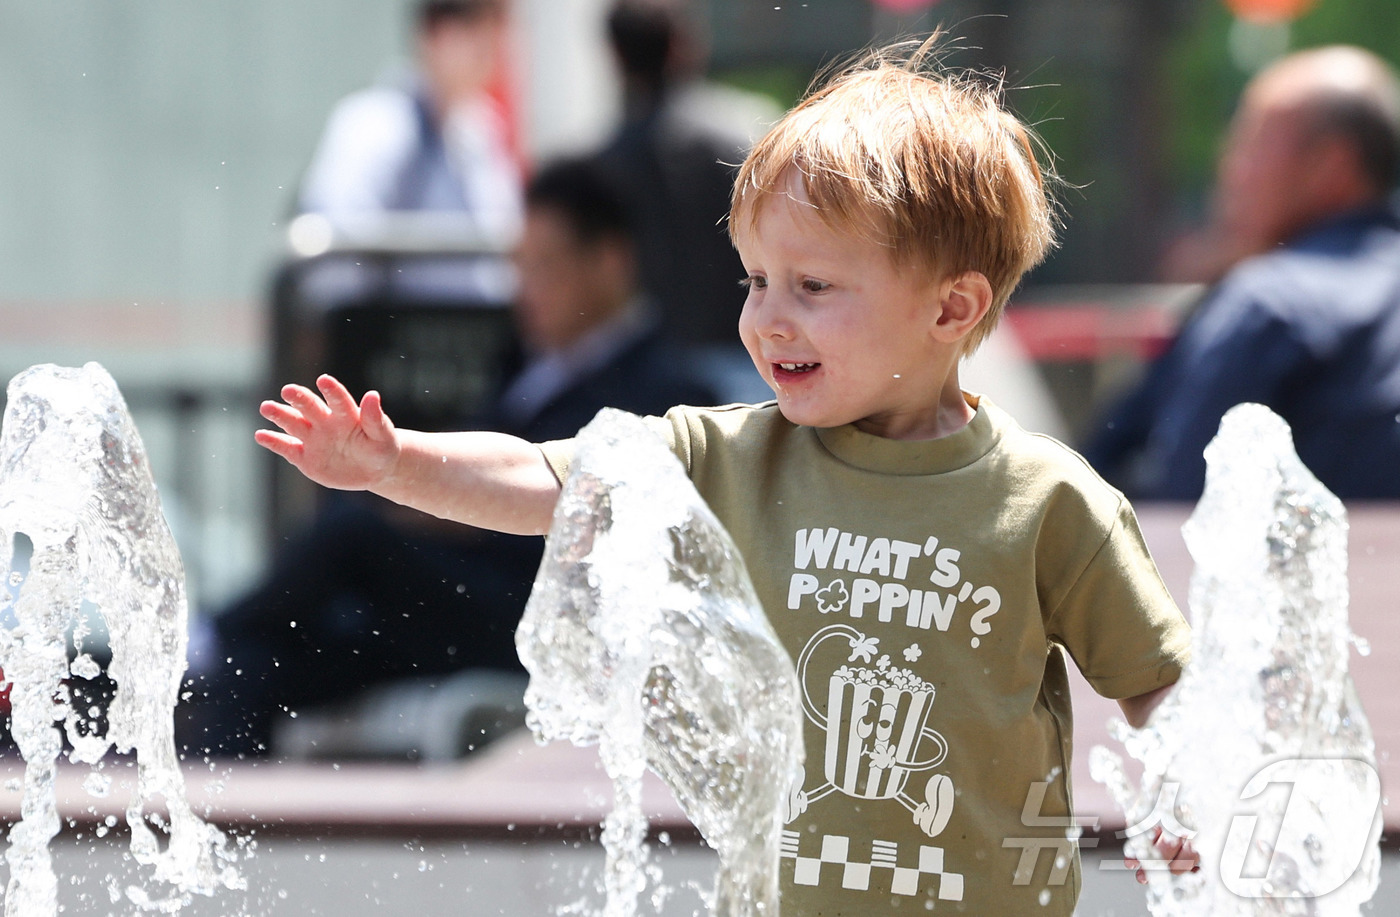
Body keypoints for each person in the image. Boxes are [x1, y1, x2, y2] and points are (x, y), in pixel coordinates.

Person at [254, 40, 1198, 913]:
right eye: (755, 279)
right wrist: (396, 461)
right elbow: (543, 478)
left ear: (951, 309)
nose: (766, 319)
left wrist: (1182, 783)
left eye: (812, 286)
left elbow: (1158, 678)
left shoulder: (1045, 501)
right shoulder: (729, 456)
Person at [187, 158, 719, 757]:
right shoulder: (525, 362)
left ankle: (202, 637)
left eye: (545, 265)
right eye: (519, 265)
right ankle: (202, 791)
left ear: (610, 261)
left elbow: (577, 523)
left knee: (356, 531)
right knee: (259, 666)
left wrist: (421, 495)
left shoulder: (667, 394)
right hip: (452, 599)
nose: (525, 288)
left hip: (541, 612)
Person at [1085, 46, 1400, 501]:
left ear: (1330, 164)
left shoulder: (1270, 305)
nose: (1230, 172)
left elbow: (1181, 505)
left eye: (1250, 145)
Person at [294, 0, 523, 304]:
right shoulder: (375, 122)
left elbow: (505, 248)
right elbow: (338, 261)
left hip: (480, 325)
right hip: (397, 326)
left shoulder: (480, 130)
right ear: (434, 33)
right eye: (472, 26)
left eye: (495, 28)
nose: (490, 47)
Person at [593, 0, 780, 346]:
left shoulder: (604, 164)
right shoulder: (749, 133)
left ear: (615, 55)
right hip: (749, 344)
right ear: (682, 44)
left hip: (652, 356)